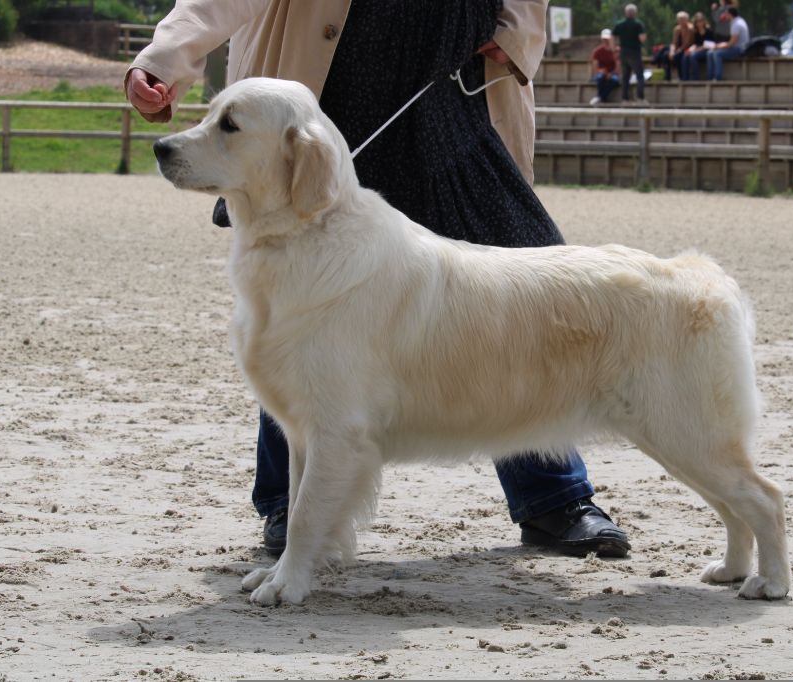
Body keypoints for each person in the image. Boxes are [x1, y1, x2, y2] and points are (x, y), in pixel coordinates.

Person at [125, 1, 631, 560]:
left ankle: (552, 498)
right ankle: (289, 509)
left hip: (455, 102)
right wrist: (164, 59)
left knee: (520, 299)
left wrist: (515, 34)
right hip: (320, 103)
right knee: (303, 316)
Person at [611, 3, 647, 103]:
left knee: (625, 76)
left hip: (623, 51)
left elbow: (613, 36)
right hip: (634, 51)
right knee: (640, 75)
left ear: (625, 13)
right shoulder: (638, 24)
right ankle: (640, 98)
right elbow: (642, 38)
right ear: (635, 13)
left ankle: (625, 99)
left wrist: (614, 48)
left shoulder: (619, 24)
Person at [707, 7, 749, 81]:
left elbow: (731, 43)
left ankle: (718, 78)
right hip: (736, 47)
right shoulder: (738, 21)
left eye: (725, 14)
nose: (724, 16)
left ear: (730, 14)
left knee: (717, 54)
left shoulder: (736, 24)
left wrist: (718, 46)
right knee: (710, 53)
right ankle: (710, 77)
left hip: (740, 49)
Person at [652, 11, 694, 82]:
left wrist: (677, 52)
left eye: (682, 19)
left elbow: (687, 43)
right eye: (679, 19)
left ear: (686, 20)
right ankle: (667, 77)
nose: (680, 21)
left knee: (678, 56)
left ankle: (681, 77)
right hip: (677, 48)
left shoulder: (690, 29)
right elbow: (674, 42)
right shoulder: (676, 29)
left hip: (687, 48)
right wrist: (672, 51)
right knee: (665, 55)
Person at [590, 28, 620, 105]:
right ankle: (601, 98)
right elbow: (595, 67)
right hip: (602, 72)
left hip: (613, 73)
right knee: (600, 77)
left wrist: (612, 73)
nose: (606, 41)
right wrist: (602, 71)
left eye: (607, 39)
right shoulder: (597, 51)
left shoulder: (616, 51)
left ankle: (600, 97)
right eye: (604, 39)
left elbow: (618, 67)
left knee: (614, 80)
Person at [682, 12, 714, 80]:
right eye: (697, 22)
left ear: (704, 21)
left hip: (707, 50)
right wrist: (689, 49)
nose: (699, 24)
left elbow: (709, 44)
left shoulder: (709, 31)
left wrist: (697, 49)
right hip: (698, 49)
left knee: (693, 56)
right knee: (685, 55)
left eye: (701, 21)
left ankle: (696, 78)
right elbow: (696, 43)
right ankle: (685, 78)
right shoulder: (695, 32)